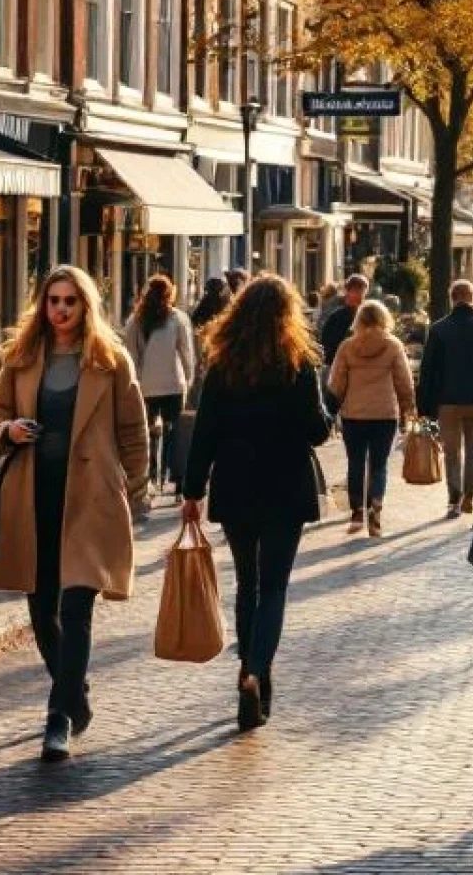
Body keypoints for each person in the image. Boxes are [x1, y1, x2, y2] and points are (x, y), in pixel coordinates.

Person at [0, 266, 149, 762]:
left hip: (91, 499)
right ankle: (76, 693)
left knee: (76, 609)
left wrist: (134, 491)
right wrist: (7, 430)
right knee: (42, 612)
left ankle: (57, 719)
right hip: (33, 497)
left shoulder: (110, 360)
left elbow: (134, 431)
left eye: (70, 301)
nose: (60, 309)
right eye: (53, 300)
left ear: (86, 306)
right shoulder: (21, 358)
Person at [181, 275, 332, 731]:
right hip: (285, 487)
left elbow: (204, 431)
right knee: (275, 587)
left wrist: (192, 490)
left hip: (236, 485)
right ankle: (256, 670)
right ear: (289, 317)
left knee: (247, 582)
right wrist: (326, 408)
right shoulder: (297, 363)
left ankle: (248, 664)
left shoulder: (223, 362)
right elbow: (317, 431)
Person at [416, 280, 473, 518]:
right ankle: (470, 496)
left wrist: (424, 403)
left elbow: (428, 370)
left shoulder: (438, 329)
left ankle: (454, 498)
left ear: (452, 298)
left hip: (448, 400)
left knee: (452, 452)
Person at [326, 299, 414, 537]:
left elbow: (336, 383)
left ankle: (356, 513)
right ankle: (376, 509)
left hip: (353, 414)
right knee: (379, 465)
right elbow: (404, 382)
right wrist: (408, 407)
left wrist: (332, 410)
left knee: (355, 463)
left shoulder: (347, 347)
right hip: (385, 415)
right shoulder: (393, 346)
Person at [122, 274, 197, 492]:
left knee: (146, 432)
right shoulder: (177, 318)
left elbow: (130, 354)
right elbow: (186, 353)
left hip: (145, 386)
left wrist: (134, 380)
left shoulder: (135, 320)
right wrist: (189, 378)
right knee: (174, 431)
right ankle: (176, 479)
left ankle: (151, 477)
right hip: (174, 383)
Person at [319, 272, 368, 373]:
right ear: (347, 291)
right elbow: (327, 346)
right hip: (340, 368)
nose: (360, 296)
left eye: (362, 292)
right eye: (356, 291)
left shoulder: (368, 316)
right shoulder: (335, 317)